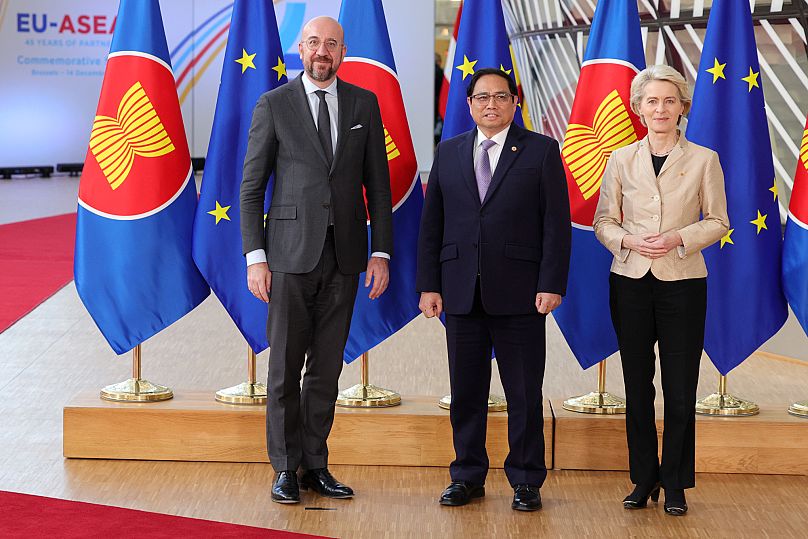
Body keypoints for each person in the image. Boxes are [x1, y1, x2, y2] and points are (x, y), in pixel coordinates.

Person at [240, 16, 393, 505]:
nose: (322, 51)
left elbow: (380, 189)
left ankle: (315, 465)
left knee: (327, 368)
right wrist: (255, 257)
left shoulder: (364, 104)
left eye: (331, 44)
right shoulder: (273, 104)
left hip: (345, 257)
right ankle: (284, 467)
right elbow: (250, 188)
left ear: (343, 52)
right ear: (299, 50)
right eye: (313, 43)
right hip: (286, 257)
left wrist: (381, 252)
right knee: (285, 367)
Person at [416, 67, 571, 512]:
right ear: (469, 105)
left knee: (524, 391)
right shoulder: (448, 152)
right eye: (481, 97)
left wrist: (551, 284)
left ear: (514, 102)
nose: (491, 104)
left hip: (522, 293)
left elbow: (556, 226)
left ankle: (525, 480)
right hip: (460, 292)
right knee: (466, 391)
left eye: (500, 97)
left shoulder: (541, 151)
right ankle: (466, 475)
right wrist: (429, 284)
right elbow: (433, 227)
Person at [593, 65, 729, 516]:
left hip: (683, 283)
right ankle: (643, 478)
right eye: (651, 101)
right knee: (636, 386)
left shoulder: (704, 159)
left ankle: (674, 484)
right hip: (629, 279)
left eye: (669, 101)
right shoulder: (620, 159)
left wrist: (677, 239)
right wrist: (628, 240)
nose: (660, 108)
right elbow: (603, 222)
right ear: (638, 108)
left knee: (680, 388)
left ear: (682, 107)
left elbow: (718, 221)